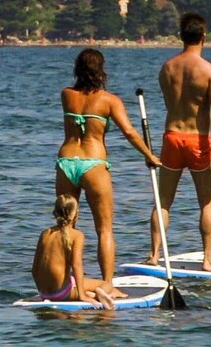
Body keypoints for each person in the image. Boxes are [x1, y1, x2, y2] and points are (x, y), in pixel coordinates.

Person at [56, 48, 161, 287]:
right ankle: (107, 285)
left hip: (66, 162)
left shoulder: (66, 94)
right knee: (104, 230)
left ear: (77, 69)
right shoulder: (110, 101)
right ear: (101, 71)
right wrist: (149, 155)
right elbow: (130, 132)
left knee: (66, 226)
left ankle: (64, 282)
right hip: (93, 164)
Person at [146, 13, 211, 272]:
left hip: (172, 137)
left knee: (163, 201)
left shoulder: (167, 68)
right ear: (204, 37)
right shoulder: (210, 71)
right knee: (207, 202)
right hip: (198, 141)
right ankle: (207, 260)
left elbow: (172, 102)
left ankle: (154, 256)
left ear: (181, 36)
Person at [32, 195, 115, 309]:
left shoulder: (45, 233)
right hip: (61, 293)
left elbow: (34, 269)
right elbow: (77, 265)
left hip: (44, 293)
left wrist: (42, 292)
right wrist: (81, 295)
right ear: (75, 214)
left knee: (71, 278)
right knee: (107, 285)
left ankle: (91, 294)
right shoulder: (77, 235)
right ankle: (95, 294)